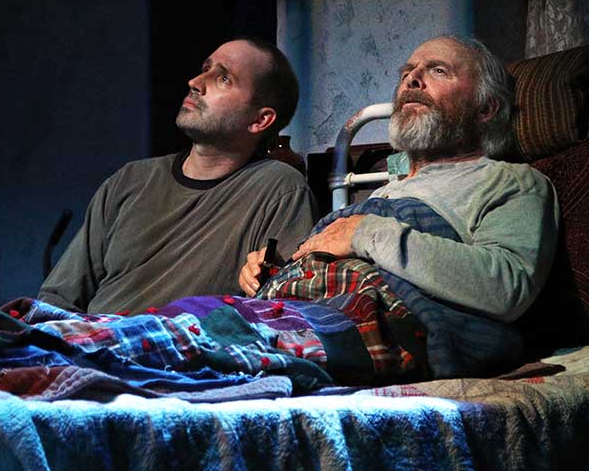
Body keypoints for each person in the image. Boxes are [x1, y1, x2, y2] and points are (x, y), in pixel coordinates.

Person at [240, 35, 559, 329]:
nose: (411, 79)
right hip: (306, 318)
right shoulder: (383, 193)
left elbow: (507, 288)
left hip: (366, 330)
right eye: (406, 73)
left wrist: (365, 233)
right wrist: (279, 272)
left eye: (438, 70)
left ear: (486, 107)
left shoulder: (511, 181)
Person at [39, 38, 317, 314]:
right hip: (94, 337)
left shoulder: (278, 189)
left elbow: (283, 309)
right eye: (205, 69)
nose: (195, 82)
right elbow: (58, 298)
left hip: (182, 340)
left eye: (224, 78)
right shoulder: (130, 180)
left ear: (260, 120)